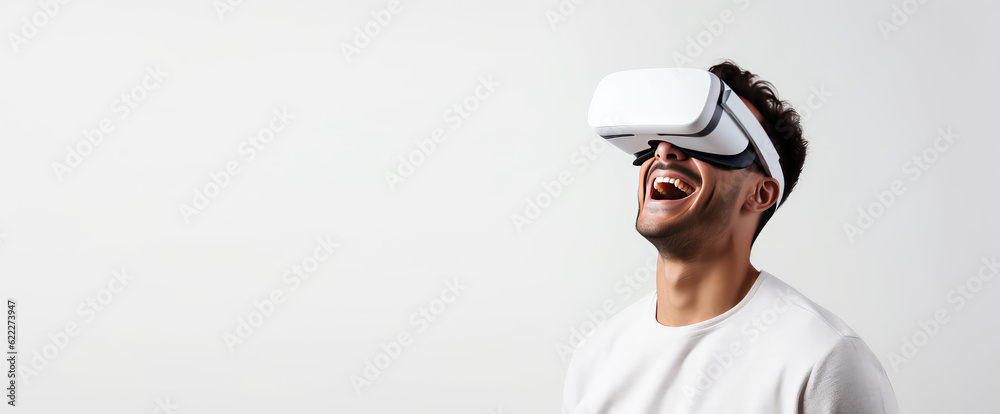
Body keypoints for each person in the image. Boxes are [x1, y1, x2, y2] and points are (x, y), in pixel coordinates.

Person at [562, 61, 899, 413]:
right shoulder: (595, 357)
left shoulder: (823, 359)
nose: (663, 151)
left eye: (707, 136)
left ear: (761, 194)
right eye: (661, 139)